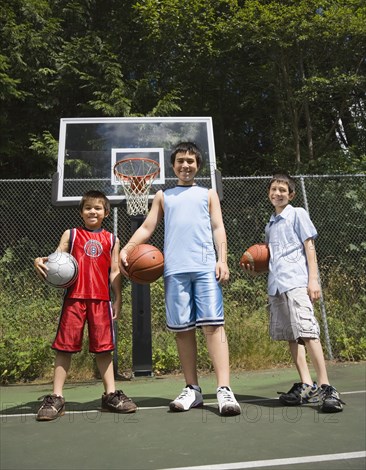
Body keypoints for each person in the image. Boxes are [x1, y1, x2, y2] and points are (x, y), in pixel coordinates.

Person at [119, 142, 241, 416]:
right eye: (180, 161)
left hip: (205, 267)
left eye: (191, 161)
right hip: (174, 270)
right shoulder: (164, 195)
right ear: (173, 166)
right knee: (183, 330)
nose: (186, 165)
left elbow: (218, 227)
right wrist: (127, 248)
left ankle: (224, 389)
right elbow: (148, 226)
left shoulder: (208, 193)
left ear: (198, 165)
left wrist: (222, 259)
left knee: (214, 326)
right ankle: (193, 389)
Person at [243, 172, 344, 413]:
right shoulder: (270, 224)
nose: (277, 193)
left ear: (291, 195)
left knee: (308, 332)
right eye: (273, 189)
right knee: (292, 335)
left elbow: (309, 247)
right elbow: (271, 258)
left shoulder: (297, 214)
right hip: (276, 285)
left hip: (297, 281)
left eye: (282, 189)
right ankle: (306, 384)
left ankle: (327, 386)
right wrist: (257, 271)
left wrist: (313, 280)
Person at [34, 190, 137, 421]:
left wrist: (118, 297)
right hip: (74, 299)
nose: (93, 211)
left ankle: (110, 394)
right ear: (81, 212)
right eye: (88, 207)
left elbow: (114, 271)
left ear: (106, 213)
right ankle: (57, 396)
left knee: (104, 348)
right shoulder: (71, 234)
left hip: (101, 300)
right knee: (65, 347)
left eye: (98, 208)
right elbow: (56, 260)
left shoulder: (112, 239)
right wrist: (40, 261)